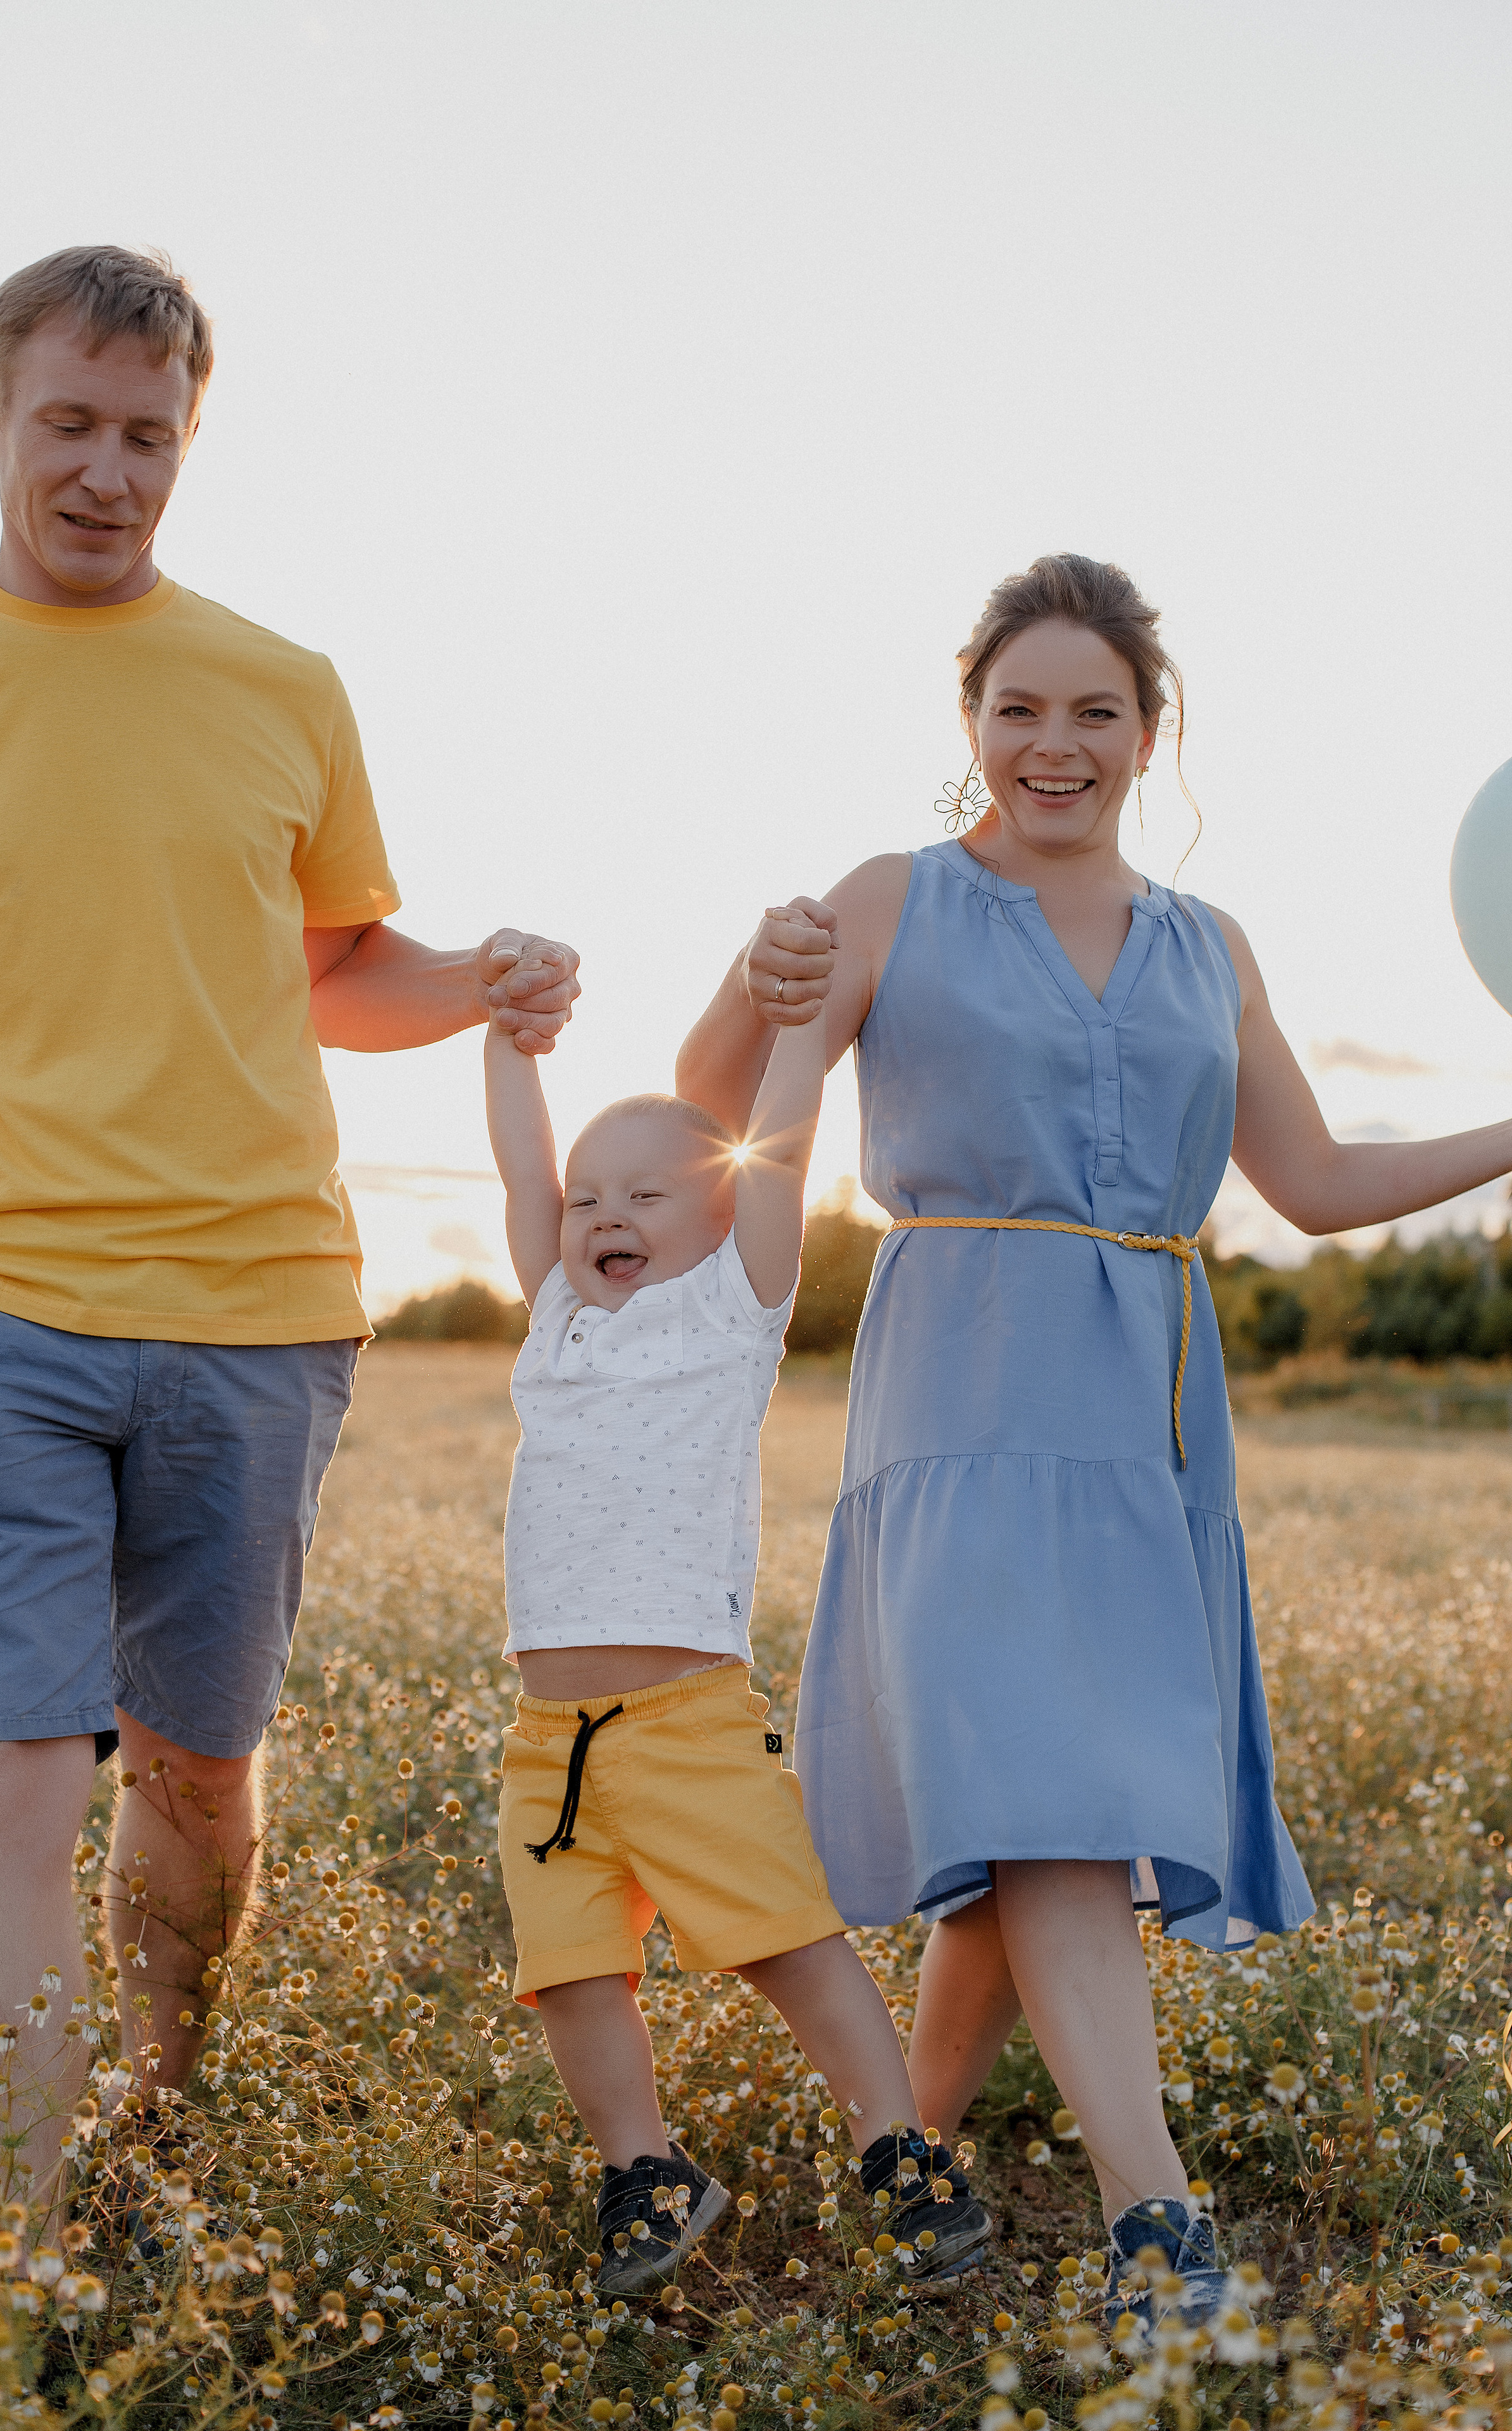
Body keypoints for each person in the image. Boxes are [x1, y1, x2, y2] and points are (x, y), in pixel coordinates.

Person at [675, 551, 1512, 2319]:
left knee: (1046, 1807)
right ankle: (1158, 2219)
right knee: (1056, 1805)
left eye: (1094, 713)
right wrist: (754, 982)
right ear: (971, 719)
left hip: (1149, 1401)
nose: (1052, 746)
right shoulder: (893, 894)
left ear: (1152, 731)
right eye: (1017, 709)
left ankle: (900, 2164)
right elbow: (716, 1097)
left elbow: (1317, 1181)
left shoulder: (1212, 944)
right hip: (964, 1379)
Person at [0, 245, 580, 2214]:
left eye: (148, 436)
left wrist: (480, 976)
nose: (107, 471)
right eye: (70, 426)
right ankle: (9, 2273)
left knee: (195, 1769)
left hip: (259, 1310)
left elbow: (335, 966)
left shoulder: (285, 688)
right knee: (11, 1777)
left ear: (189, 441)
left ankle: (161, 2110)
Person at [484, 952, 992, 2293]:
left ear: (713, 1215)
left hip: (688, 1720)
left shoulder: (729, 1311)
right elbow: (519, 1175)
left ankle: (898, 2148)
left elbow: (778, 1150)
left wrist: (798, 1027)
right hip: (551, 1743)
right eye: (591, 1198)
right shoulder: (555, 1321)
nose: (604, 1213)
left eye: (646, 1194)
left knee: (785, 1940)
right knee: (572, 1974)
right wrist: (510, 1044)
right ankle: (643, 2173)